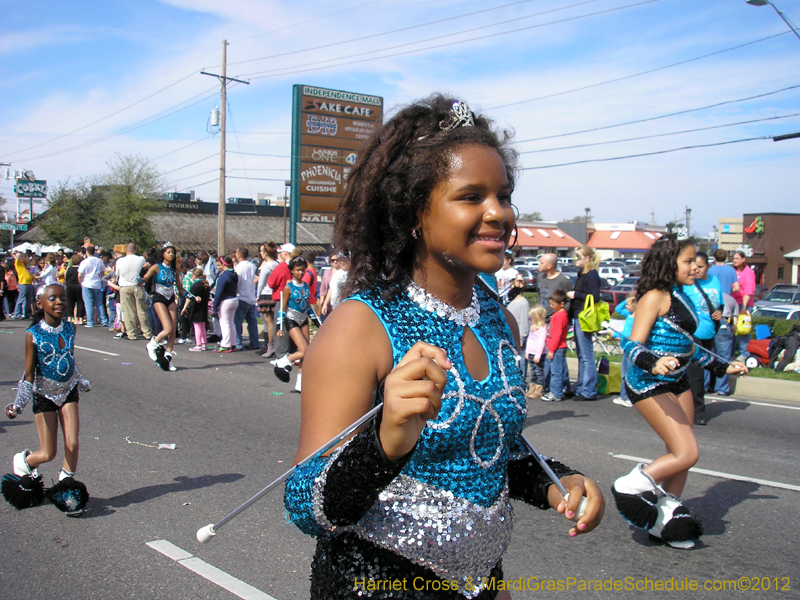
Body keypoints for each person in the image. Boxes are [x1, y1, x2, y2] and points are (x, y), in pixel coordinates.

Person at [283, 95, 603, 600]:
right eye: (471, 196)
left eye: (504, 194)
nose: (498, 213)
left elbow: (488, 448)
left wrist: (556, 480)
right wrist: (385, 440)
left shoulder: (498, 317)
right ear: (414, 212)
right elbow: (305, 504)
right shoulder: (360, 325)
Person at [611, 233, 746, 550]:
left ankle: (664, 522)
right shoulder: (654, 296)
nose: (695, 266)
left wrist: (721, 366)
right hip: (649, 382)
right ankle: (632, 485)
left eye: (696, 261)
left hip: (679, 380)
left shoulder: (681, 294)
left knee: (682, 458)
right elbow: (630, 343)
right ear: (670, 263)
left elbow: (688, 346)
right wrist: (653, 362)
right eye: (687, 261)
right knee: (687, 453)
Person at [5, 283, 91, 515]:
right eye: (53, 298)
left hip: (68, 392)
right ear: (39, 303)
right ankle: (25, 462)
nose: (60, 302)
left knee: (72, 443)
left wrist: (81, 381)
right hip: (43, 396)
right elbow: (28, 375)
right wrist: (18, 405)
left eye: (62, 298)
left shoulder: (71, 329)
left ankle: (66, 491)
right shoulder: (33, 335)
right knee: (48, 453)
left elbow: (69, 361)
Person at [682, 251, 722, 426]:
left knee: (703, 370)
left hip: (710, 331)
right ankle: (698, 411)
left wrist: (720, 312)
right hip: (693, 333)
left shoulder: (714, 281)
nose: (696, 269)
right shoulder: (688, 283)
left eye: (700, 266)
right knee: (696, 372)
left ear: (708, 266)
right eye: (694, 266)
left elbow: (719, 303)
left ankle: (687, 403)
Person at [142, 243, 186, 371]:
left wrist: (192, 296)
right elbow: (143, 279)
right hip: (158, 298)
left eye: (173, 252)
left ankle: (168, 358)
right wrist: (142, 271)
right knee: (166, 329)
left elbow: (180, 288)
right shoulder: (156, 267)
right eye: (168, 252)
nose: (171, 255)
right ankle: (152, 344)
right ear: (163, 254)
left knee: (173, 329)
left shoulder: (175, 270)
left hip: (171, 298)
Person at [566, 246, 601, 401]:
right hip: (577, 315)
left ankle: (588, 390)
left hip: (584, 317)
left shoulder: (592, 274)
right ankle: (581, 387)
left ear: (587, 258)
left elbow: (595, 296)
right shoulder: (582, 273)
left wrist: (576, 294)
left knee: (587, 355)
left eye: (578, 256)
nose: (575, 260)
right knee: (581, 354)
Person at [273, 256, 312, 392]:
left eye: (303, 270)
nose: (301, 273)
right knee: (304, 349)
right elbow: (282, 309)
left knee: (307, 353)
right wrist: (279, 327)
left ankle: (300, 383)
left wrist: (319, 323)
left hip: (304, 319)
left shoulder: (306, 286)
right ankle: (284, 360)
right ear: (292, 271)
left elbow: (308, 307)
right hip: (291, 320)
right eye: (298, 270)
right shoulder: (288, 288)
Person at [115, 243, 153, 341]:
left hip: (125, 286)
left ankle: (131, 333)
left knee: (128, 311)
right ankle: (147, 332)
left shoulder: (120, 261)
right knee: (142, 310)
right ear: (135, 250)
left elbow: (117, 274)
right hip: (138, 286)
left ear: (126, 250)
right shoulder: (141, 259)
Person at [540, 289, 570, 402]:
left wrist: (552, 350)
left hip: (556, 347)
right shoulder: (559, 314)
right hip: (557, 347)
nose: (551, 306)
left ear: (561, 304)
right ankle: (563, 388)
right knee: (559, 369)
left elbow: (557, 335)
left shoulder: (559, 316)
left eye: (553, 304)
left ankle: (556, 393)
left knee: (556, 371)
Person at [609, 293, 637, 408]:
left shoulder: (636, 318)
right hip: (626, 348)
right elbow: (617, 308)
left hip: (632, 348)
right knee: (623, 373)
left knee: (629, 373)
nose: (626, 306)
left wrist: (615, 333)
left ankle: (630, 397)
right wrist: (627, 299)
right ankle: (623, 396)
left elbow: (628, 334)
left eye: (628, 304)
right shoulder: (629, 314)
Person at [711, 293, 739, 397]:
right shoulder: (732, 299)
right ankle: (722, 389)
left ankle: (704, 386)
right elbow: (734, 324)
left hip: (710, 323)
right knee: (724, 357)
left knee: (707, 356)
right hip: (725, 323)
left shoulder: (710, 295)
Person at [233, 247, 260, 350]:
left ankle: (238, 343)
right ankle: (254, 342)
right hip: (251, 296)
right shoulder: (252, 266)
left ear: (239, 255)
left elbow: (237, 282)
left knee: (237, 322)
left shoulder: (238, 268)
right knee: (252, 322)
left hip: (241, 296)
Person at [731, 250, 756, 360]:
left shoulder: (748, 272)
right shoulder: (734, 271)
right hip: (733, 303)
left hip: (743, 303)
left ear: (743, 259)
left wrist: (744, 306)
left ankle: (744, 353)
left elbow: (748, 291)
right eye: (734, 259)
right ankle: (731, 352)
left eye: (737, 258)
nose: (735, 261)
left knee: (743, 329)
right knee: (732, 328)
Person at [211, 255, 239, 353]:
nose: (218, 267)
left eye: (219, 265)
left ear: (223, 264)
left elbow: (219, 292)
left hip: (225, 301)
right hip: (234, 299)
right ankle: (233, 344)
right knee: (231, 323)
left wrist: (215, 306)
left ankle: (225, 344)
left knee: (224, 323)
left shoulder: (223, 275)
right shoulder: (234, 274)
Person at [256, 242, 279, 357]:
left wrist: (258, 296)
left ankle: (271, 346)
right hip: (275, 294)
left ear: (265, 253)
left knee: (269, 323)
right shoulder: (277, 264)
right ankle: (275, 345)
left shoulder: (266, 266)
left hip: (266, 294)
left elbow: (261, 283)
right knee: (274, 322)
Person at [536, 253, 573, 320]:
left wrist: (559, 314)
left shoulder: (563, 281)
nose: (539, 264)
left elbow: (569, 301)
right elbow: (539, 294)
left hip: (555, 319)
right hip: (541, 318)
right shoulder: (540, 277)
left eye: (541, 263)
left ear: (549, 266)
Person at [506, 276, 530, 381]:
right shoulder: (510, 302)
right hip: (509, 338)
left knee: (520, 363)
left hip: (519, 339)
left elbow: (524, 322)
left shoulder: (524, 303)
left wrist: (521, 339)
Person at [78, 245, 108, 328]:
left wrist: (80, 282)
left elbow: (80, 274)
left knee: (88, 303)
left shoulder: (84, 262)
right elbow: (102, 272)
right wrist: (100, 279)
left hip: (86, 283)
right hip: (97, 284)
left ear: (86, 252)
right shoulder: (99, 261)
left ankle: (90, 322)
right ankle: (103, 320)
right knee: (99, 303)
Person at [182, 268, 211, 352]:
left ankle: (198, 344)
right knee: (202, 327)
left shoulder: (195, 286)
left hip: (196, 308)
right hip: (204, 308)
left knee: (197, 327)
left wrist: (184, 307)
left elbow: (189, 297)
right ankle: (204, 343)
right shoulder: (205, 285)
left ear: (194, 275)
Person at [525, 304, 547, 399]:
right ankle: (531, 388)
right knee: (533, 371)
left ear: (537, 317)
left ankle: (539, 389)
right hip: (531, 352)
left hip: (537, 354)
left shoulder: (542, 329)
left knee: (539, 371)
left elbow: (541, 342)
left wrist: (538, 355)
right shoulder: (533, 327)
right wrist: (527, 351)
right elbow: (529, 340)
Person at [64, 254, 85, 325]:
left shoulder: (69, 269)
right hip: (79, 286)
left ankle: (69, 318)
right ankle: (80, 318)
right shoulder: (81, 269)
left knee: (70, 302)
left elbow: (66, 278)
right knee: (80, 302)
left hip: (70, 286)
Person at [13, 251, 35, 319]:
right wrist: (21, 255)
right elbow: (18, 256)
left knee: (28, 300)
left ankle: (26, 313)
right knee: (21, 299)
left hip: (29, 283)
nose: (27, 259)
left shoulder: (26, 266)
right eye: (25, 258)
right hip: (23, 283)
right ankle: (17, 314)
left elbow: (34, 272)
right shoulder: (18, 264)